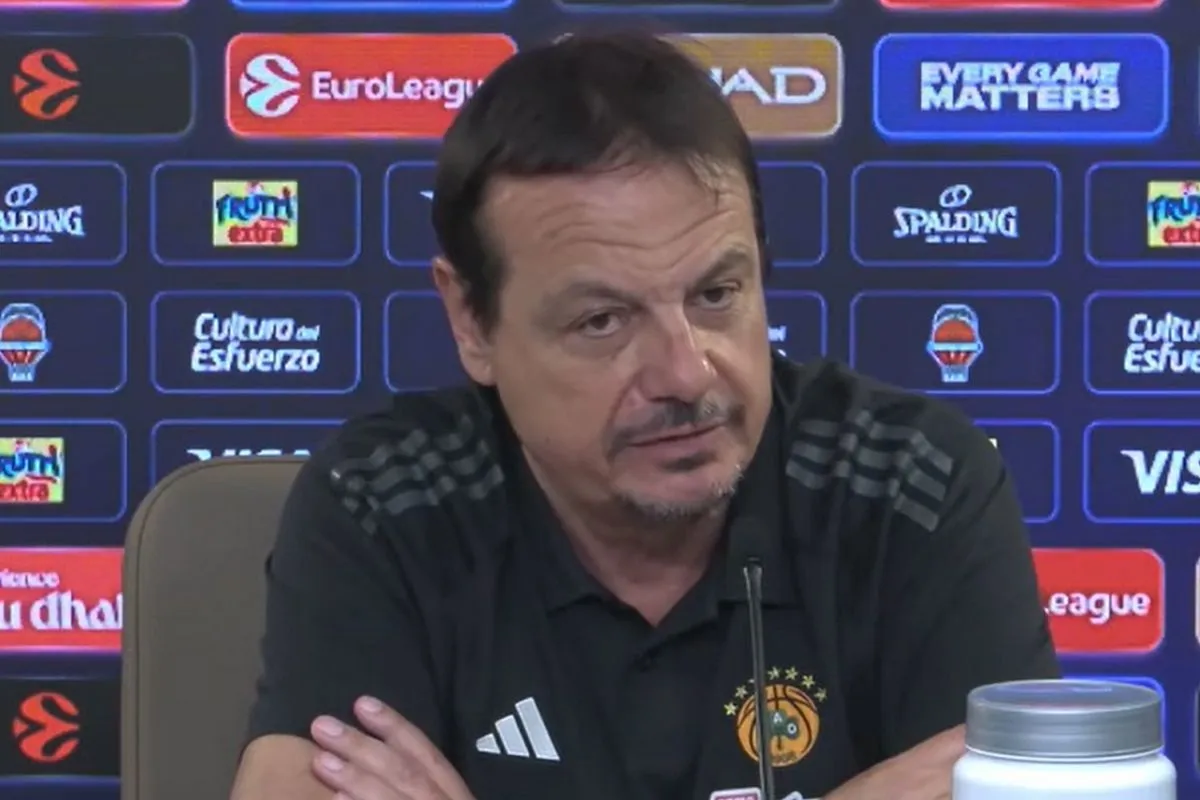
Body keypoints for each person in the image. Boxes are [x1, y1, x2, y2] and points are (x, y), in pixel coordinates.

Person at [229, 30, 1060, 800]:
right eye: (602, 321)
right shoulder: (386, 503)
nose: (685, 373)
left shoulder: (909, 481)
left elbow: (1025, 780)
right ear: (471, 324)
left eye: (717, 294)